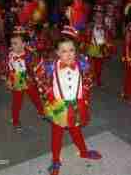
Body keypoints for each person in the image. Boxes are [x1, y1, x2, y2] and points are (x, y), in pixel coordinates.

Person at [34, 36, 102, 175]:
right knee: (56, 134)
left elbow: (88, 81)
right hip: (58, 107)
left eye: (71, 50)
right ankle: (55, 160)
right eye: (64, 51)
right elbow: (40, 81)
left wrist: (85, 97)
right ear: (57, 53)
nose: (69, 54)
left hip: (75, 105)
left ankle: (83, 152)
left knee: (76, 131)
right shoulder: (51, 67)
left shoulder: (82, 65)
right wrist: (48, 95)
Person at [6, 26, 44, 133]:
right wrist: (9, 79)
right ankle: (15, 120)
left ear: (23, 44)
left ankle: (42, 112)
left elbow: (36, 62)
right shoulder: (10, 55)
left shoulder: (29, 54)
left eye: (15, 43)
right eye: (11, 43)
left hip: (28, 78)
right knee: (16, 101)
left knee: (35, 96)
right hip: (17, 79)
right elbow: (8, 68)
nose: (12, 46)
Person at [86, 12, 114, 87]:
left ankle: (98, 80)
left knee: (99, 66)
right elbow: (86, 37)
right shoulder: (90, 26)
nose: (99, 19)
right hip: (92, 47)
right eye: (97, 17)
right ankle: (90, 80)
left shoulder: (105, 28)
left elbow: (108, 38)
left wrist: (108, 46)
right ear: (94, 18)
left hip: (101, 48)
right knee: (91, 65)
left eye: (101, 17)